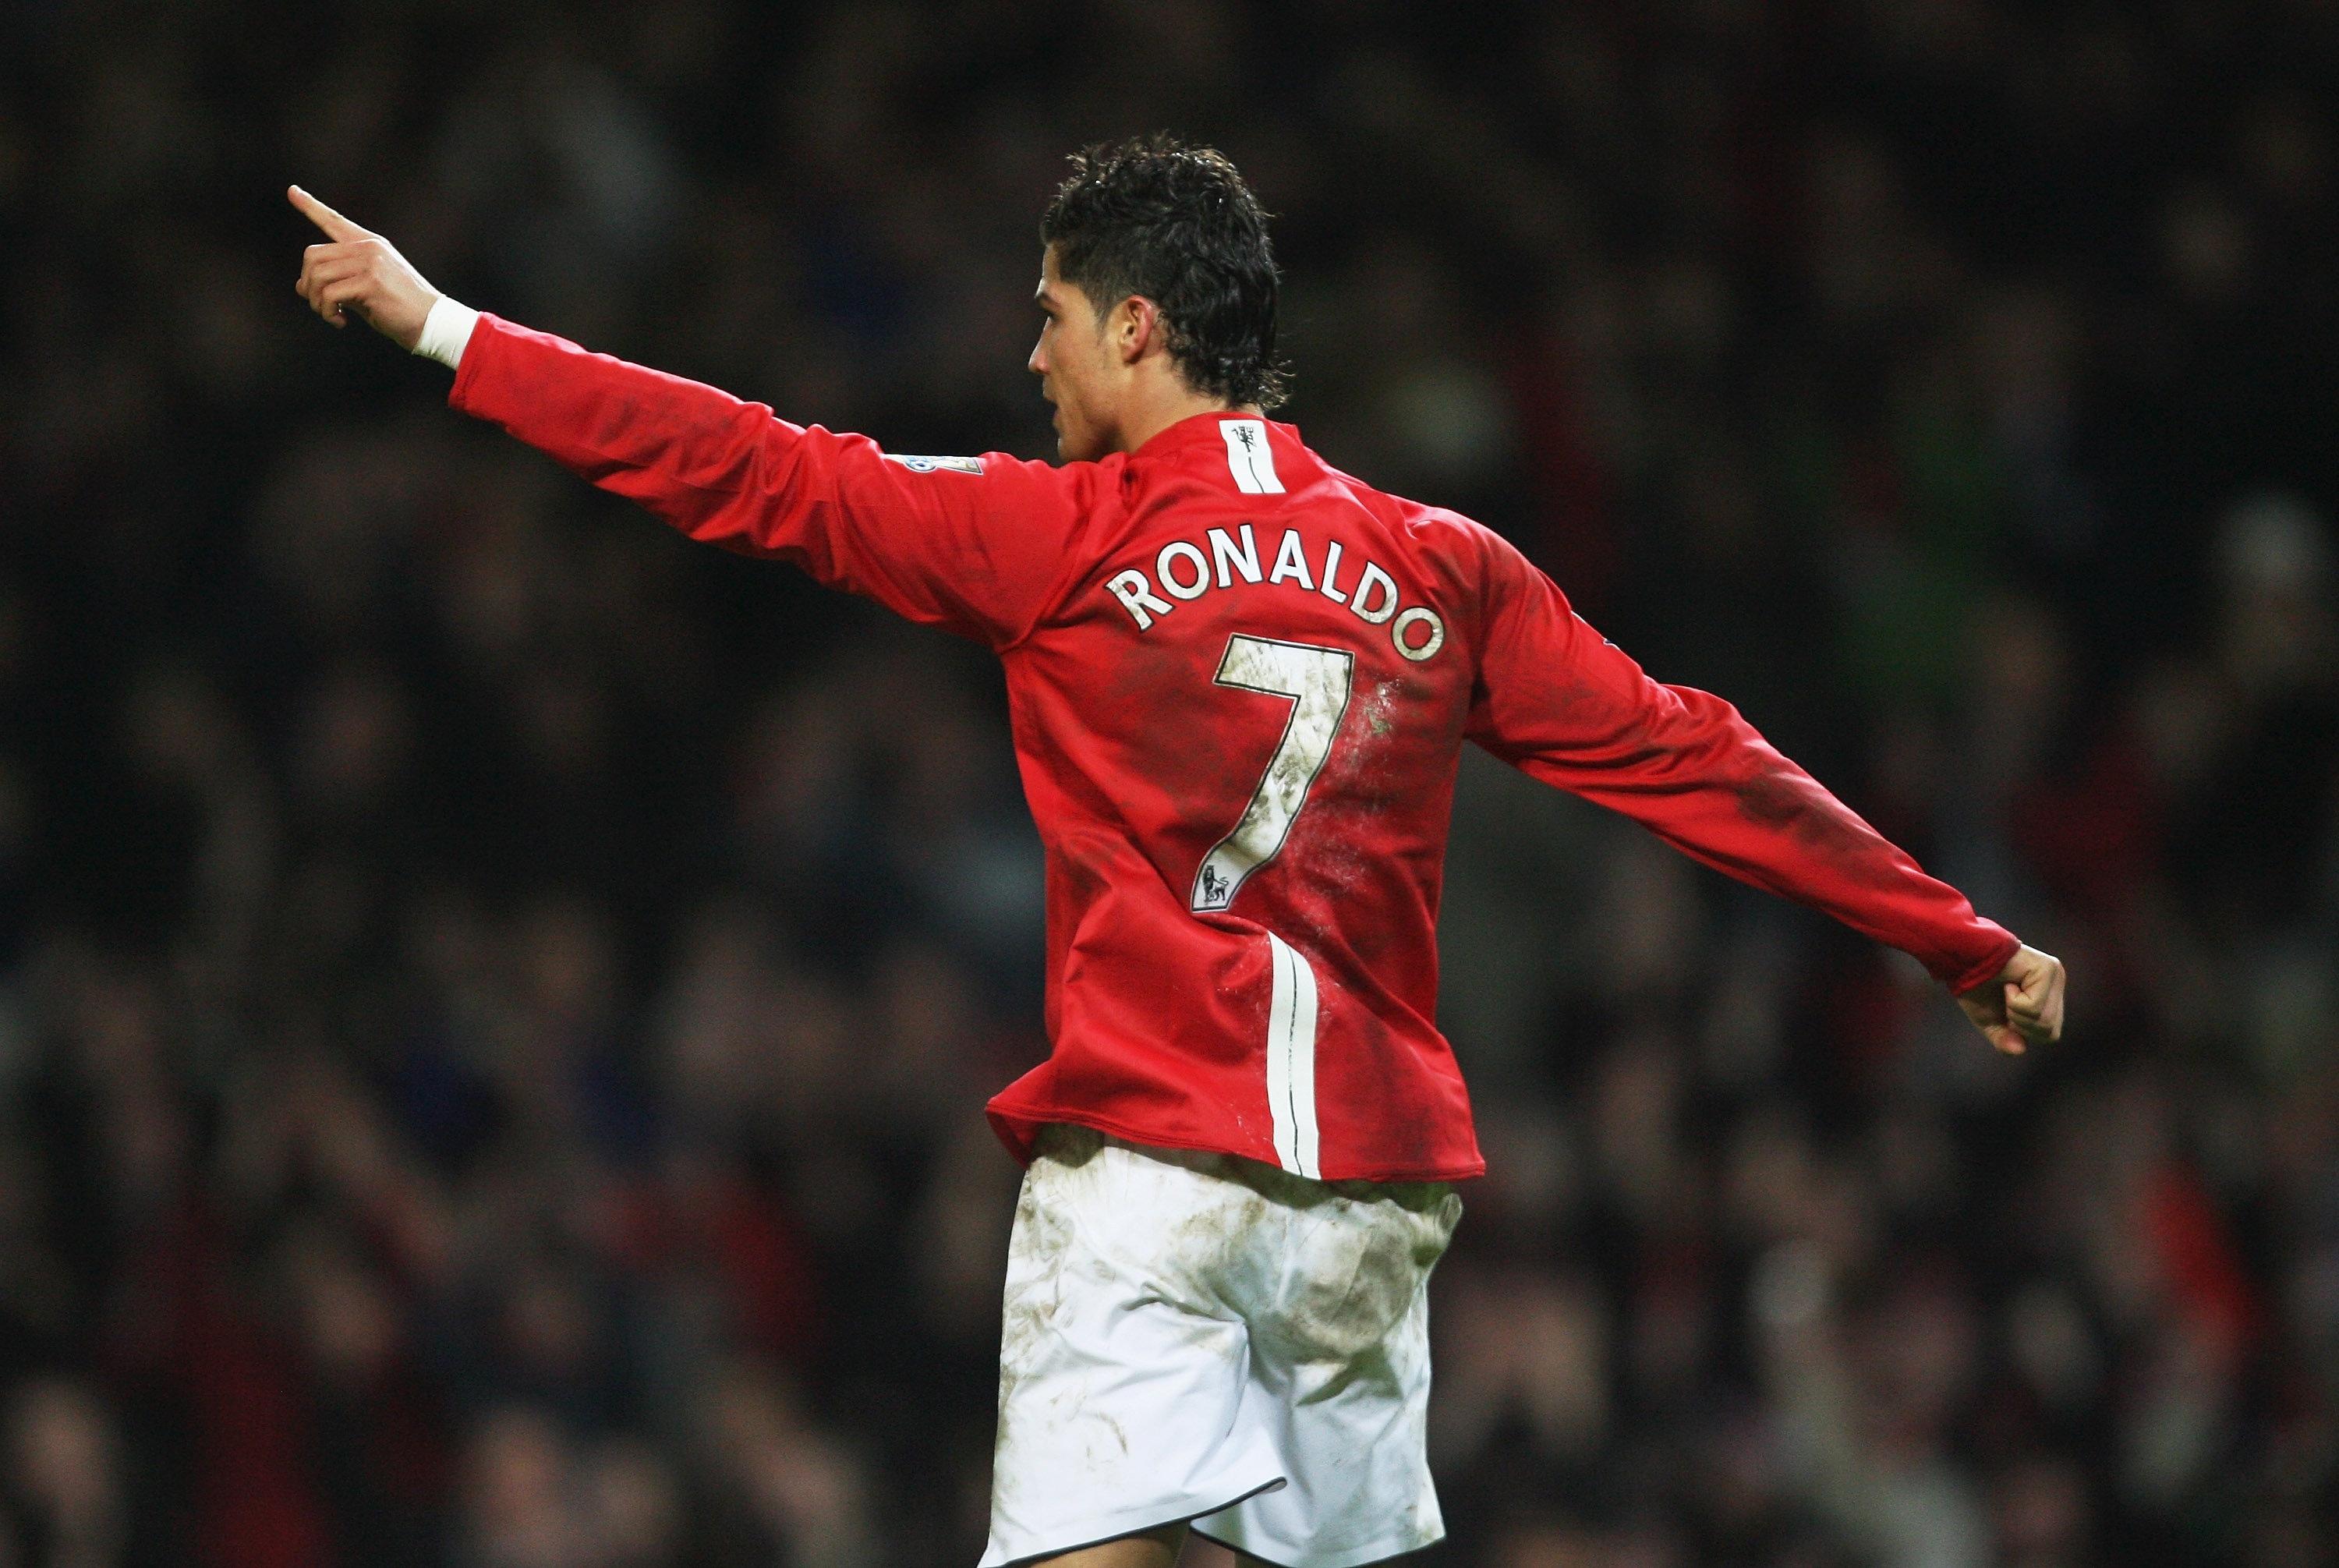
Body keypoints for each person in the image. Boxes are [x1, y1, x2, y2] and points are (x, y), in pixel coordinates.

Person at [288, 135, 2065, 1568]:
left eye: (1052, 313)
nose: (1032, 353)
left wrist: (450, 331)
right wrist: (1959, 938)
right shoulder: (1443, 568)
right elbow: (1693, 754)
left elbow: (758, 470)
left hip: (1152, 1164)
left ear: (1137, 327)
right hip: (1369, 1193)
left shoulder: (1056, 536)